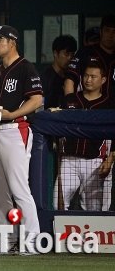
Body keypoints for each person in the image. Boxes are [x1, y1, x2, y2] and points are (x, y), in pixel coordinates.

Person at [0, 25, 42, 255]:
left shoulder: (26, 68)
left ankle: (32, 242)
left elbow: (36, 100)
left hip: (16, 129)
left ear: (12, 42)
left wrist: (12, 114)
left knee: (19, 189)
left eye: (0, 39)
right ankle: (8, 241)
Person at [54, 61, 115, 211]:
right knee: (57, 203)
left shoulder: (109, 103)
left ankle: (91, 235)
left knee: (94, 210)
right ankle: (61, 234)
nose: (88, 80)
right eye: (86, 76)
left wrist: (110, 159)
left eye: (93, 77)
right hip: (69, 160)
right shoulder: (70, 100)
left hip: (94, 161)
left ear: (103, 80)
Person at [65, 15, 115, 97]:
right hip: (89, 106)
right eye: (107, 30)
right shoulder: (85, 52)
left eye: (114, 32)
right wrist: (70, 104)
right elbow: (70, 80)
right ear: (101, 32)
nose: (110, 35)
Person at [40, 35, 77, 109]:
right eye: (66, 54)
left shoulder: (73, 75)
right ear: (55, 53)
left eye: (72, 55)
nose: (70, 58)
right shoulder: (44, 77)